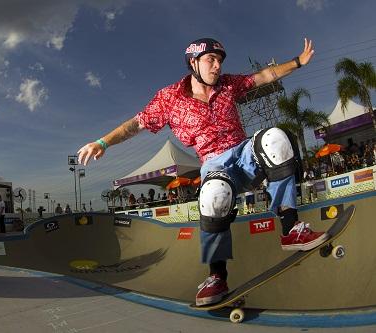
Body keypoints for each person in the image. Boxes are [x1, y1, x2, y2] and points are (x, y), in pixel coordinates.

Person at [77, 37, 327, 306]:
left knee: (275, 137)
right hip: (215, 165)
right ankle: (217, 276)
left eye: (220, 61)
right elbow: (135, 125)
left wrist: (298, 62)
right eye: (211, 60)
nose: (217, 66)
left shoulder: (229, 84)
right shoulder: (169, 98)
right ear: (193, 62)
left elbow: (264, 76)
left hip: (245, 155)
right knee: (213, 194)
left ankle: (291, 229)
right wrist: (103, 142)